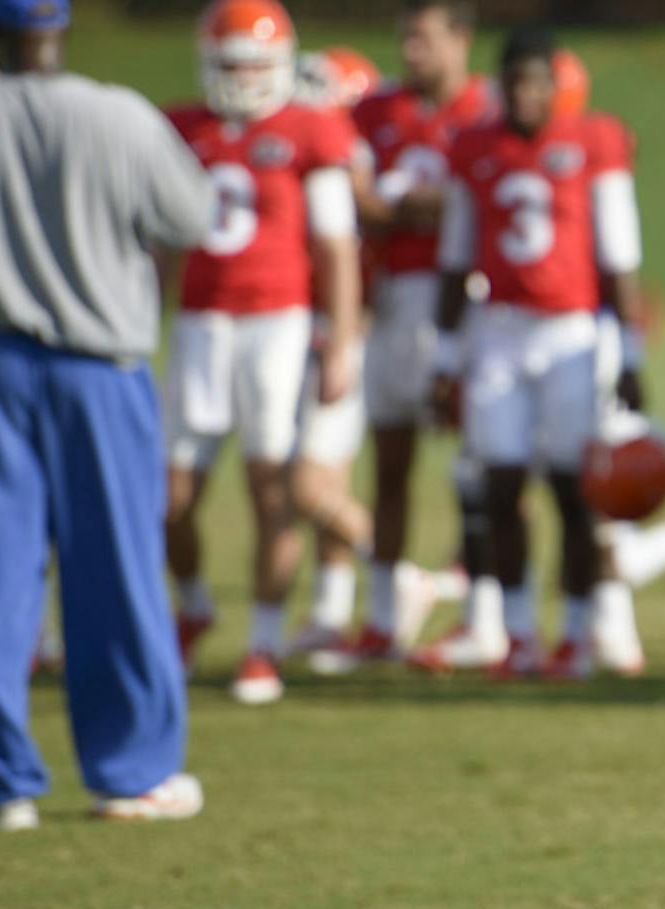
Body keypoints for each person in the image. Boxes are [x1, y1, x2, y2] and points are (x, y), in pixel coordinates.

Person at [0, 0, 210, 830]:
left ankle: (0, 781)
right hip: (99, 366)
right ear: (61, 30)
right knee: (115, 566)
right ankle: (131, 772)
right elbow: (193, 217)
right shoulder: (119, 115)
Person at [163, 0, 363, 705]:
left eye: (256, 64)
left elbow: (336, 246)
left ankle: (263, 642)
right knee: (170, 496)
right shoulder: (182, 127)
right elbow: (161, 242)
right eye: (232, 64)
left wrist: (339, 342)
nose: (244, 79)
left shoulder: (310, 128)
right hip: (197, 324)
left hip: (275, 323)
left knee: (269, 487)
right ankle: (192, 605)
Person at [433, 26, 645, 679]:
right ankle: (519, 631)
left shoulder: (591, 143)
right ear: (501, 88)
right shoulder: (475, 147)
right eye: (516, 82)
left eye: (537, 82)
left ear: (556, 88)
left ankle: (576, 634)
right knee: (499, 483)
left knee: (572, 488)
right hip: (498, 328)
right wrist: (445, 358)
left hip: (571, 333)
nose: (526, 95)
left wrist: (630, 351)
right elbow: (455, 255)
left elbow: (619, 259)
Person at [322, 0, 495, 670]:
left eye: (424, 39)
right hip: (392, 298)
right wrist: (410, 207)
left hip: (464, 297)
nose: (411, 52)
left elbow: (470, 198)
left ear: (461, 38)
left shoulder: (484, 107)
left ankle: (483, 615)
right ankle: (385, 617)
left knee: (476, 462)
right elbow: (358, 199)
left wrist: (408, 206)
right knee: (389, 461)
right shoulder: (375, 111)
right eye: (406, 40)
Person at [286, 44, 383, 660]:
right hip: (320, 322)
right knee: (329, 476)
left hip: (337, 325)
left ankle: (398, 575)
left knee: (303, 483)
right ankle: (330, 611)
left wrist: (342, 334)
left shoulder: (344, 157)